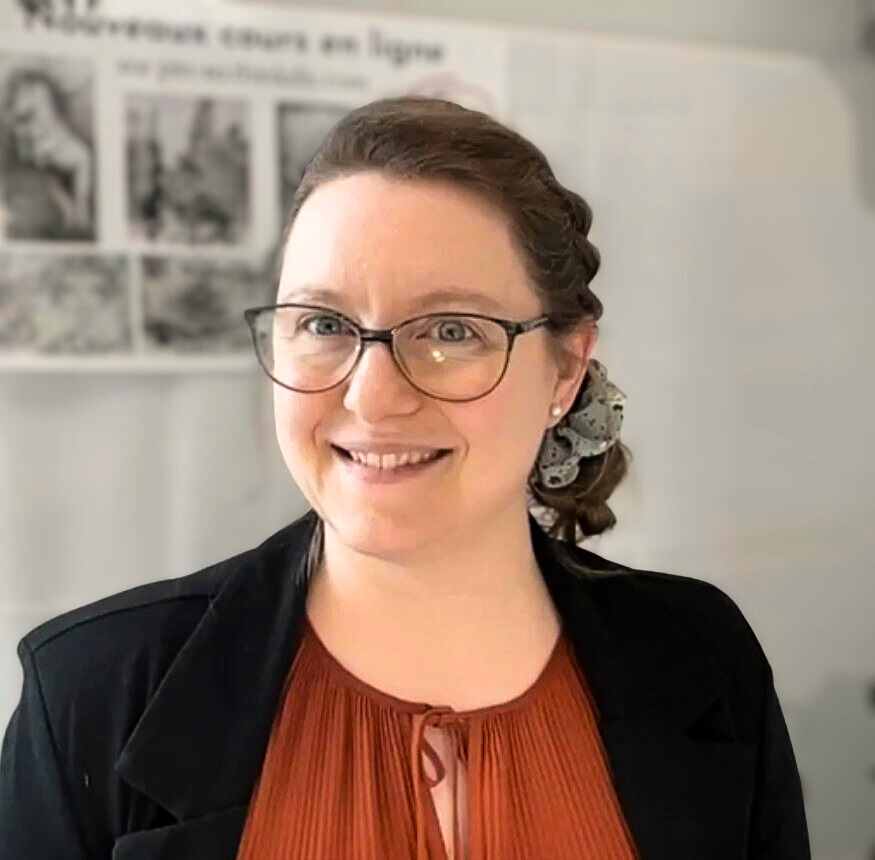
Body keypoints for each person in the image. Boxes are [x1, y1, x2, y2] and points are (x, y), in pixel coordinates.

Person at [0, 96, 810, 859]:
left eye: (451, 330)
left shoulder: (703, 659)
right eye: (322, 323)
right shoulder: (90, 696)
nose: (371, 396)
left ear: (564, 370)